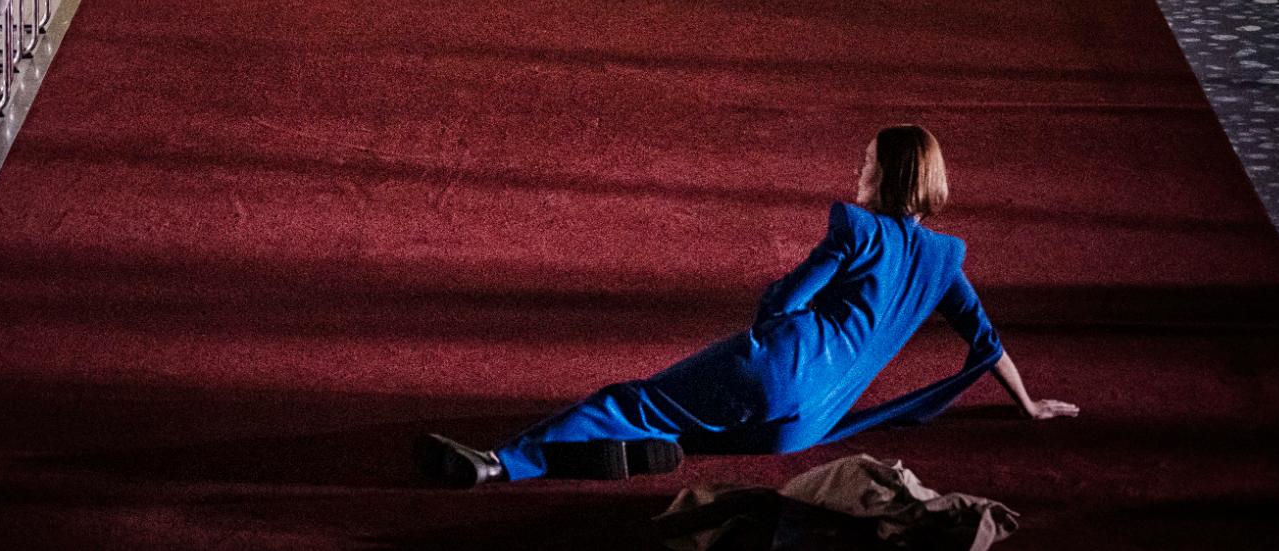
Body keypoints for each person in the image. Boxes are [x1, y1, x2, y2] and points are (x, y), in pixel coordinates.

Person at [420, 125, 1079, 487]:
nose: (858, 173)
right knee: (690, 424)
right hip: (806, 426)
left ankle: (497, 463)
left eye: (867, 163)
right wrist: (1027, 402)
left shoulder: (857, 228)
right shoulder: (944, 258)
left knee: (629, 399)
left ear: (889, 176)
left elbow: (788, 298)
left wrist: (769, 331)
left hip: (778, 367)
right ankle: (624, 452)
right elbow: (984, 340)